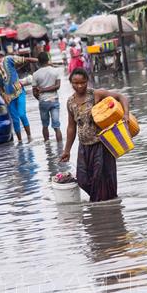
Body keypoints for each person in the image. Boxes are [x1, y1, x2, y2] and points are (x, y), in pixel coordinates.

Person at [60, 68, 129, 202]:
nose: (79, 86)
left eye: (83, 82)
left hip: (101, 145)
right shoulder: (70, 102)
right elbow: (71, 127)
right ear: (71, 83)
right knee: (82, 179)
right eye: (75, 83)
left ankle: (101, 210)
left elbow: (121, 97)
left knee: (100, 178)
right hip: (84, 146)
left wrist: (125, 114)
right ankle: (103, 201)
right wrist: (67, 150)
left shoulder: (96, 94)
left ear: (87, 81)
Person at [0, 46, 37, 143]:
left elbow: (24, 59)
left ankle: (29, 137)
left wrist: (39, 61)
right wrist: (3, 96)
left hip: (19, 92)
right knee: (15, 120)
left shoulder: (8, 60)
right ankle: (20, 141)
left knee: (22, 114)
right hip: (8, 98)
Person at [32, 52, 63, 142]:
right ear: (48, 60)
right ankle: (60, 148)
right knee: (57, 126)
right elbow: (58, 86)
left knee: (45, 125)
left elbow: (34, 92)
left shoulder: (35, 74)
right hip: (54, 100)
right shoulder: (55, 71)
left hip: (43, 102)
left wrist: (41, 96)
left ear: (38, 62)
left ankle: (47, 146)